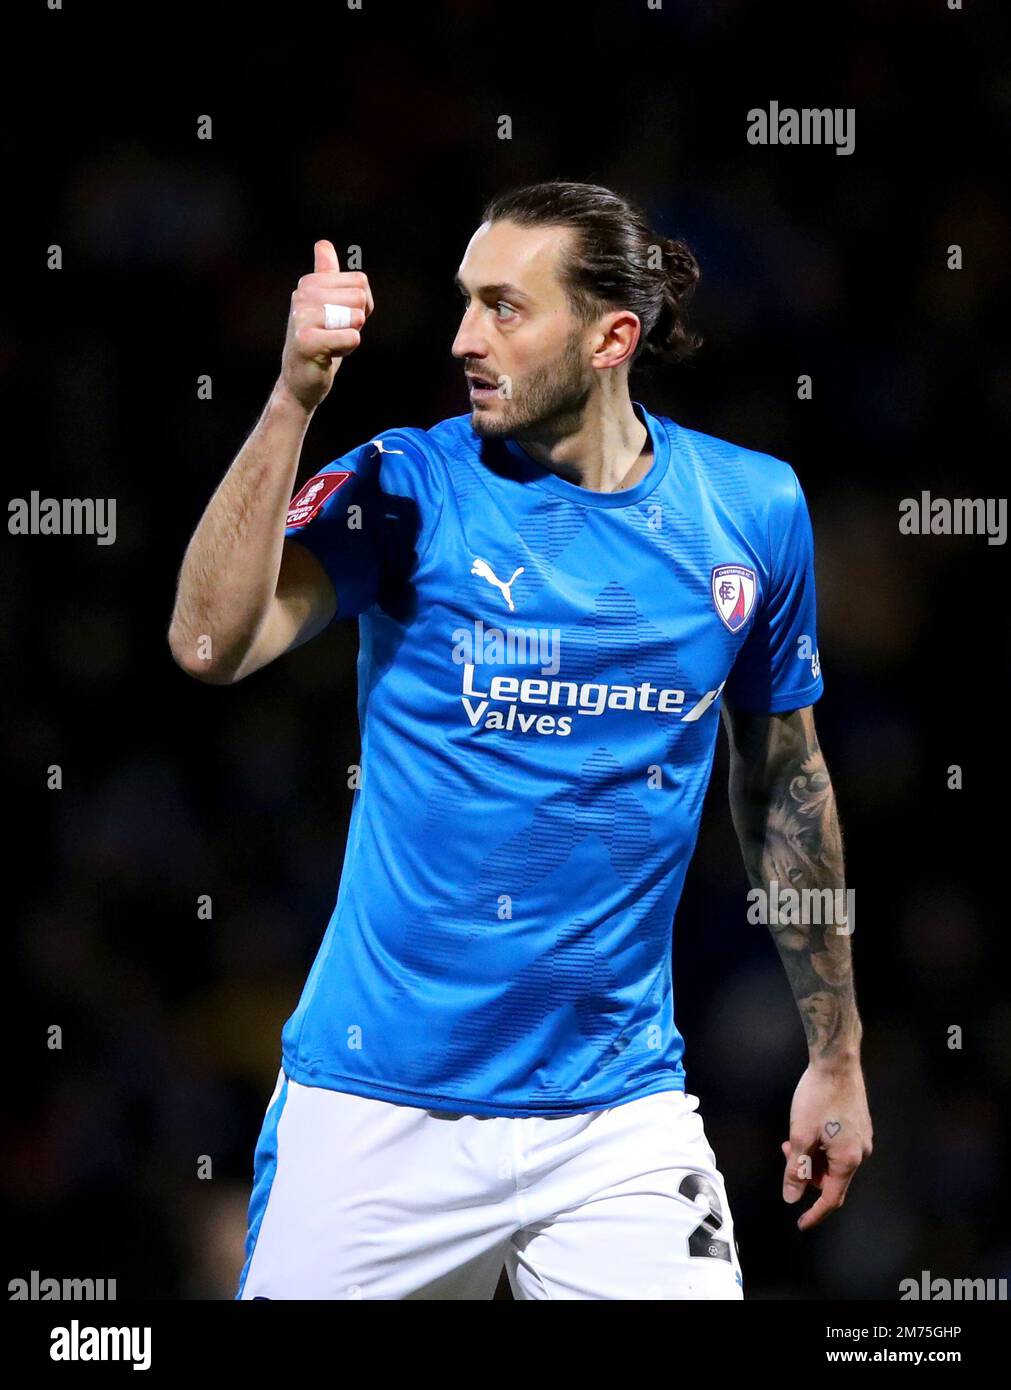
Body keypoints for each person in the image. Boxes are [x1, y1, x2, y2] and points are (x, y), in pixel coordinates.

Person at [168, 180, 872, 1300]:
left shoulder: (754, 511)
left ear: (611, 337)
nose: (462, 339)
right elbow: (209, 641)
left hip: (615, 1117)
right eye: (461, 304)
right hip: (375, 1105)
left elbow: (784, 783)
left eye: (504, 307)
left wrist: (835, 1054)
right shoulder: (408, 484)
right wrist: (291, 402)